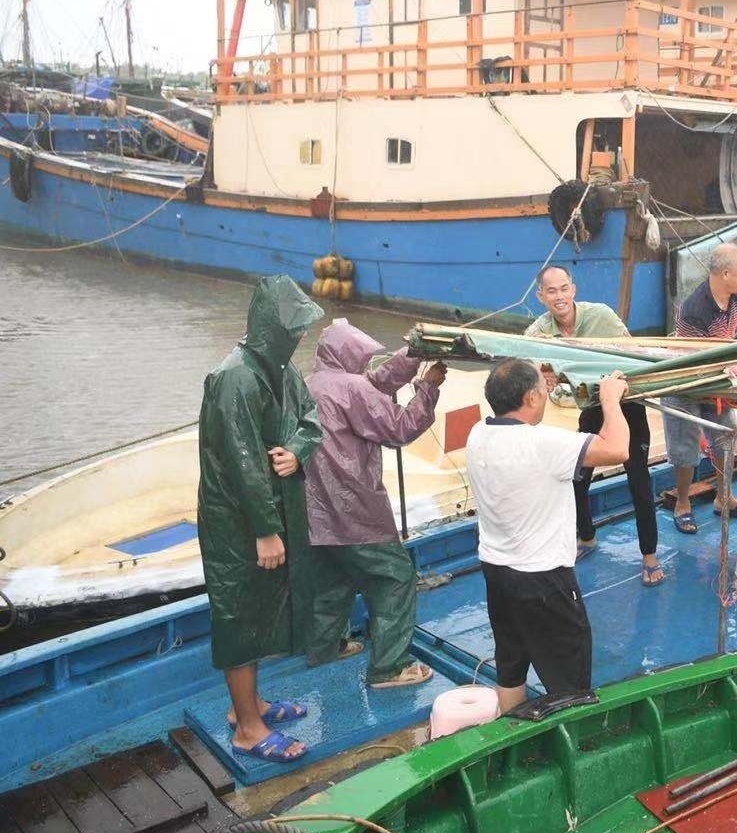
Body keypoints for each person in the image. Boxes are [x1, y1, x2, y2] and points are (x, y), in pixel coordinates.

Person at [197, 275, 324, 764]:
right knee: (239, 615)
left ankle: (252, 705)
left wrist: (296, 450)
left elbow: (311, 419)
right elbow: (243, 462)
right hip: (236, 522)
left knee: (260, 608)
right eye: (292, 330)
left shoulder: (282, 370)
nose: (298, 340)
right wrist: (266, 530)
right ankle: (248, 728)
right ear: (270, 327)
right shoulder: (235, 378)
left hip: (271, 510)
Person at [466, 358, 631, 710]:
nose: (547, 392)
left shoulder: (477, 434)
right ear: (530, 398)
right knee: (570, 677)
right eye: (542, 390)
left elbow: (528, 424)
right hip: (543, 579)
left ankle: (511, 736)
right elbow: (617, 448)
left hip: (497, 570)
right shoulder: (544, 444)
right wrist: (611, 401)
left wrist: (543, 387)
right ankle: (568, 745)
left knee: (511, 665)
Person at [301, 319, 446, 688]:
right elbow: (400, 427)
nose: (366, 364)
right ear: (349, 357)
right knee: (395, 577)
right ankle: (389, 668)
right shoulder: (351, 387)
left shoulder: (312, 383)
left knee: (334, 579)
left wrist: (413, 355)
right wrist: (427, 388)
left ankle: (326, 648)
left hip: (316, 512)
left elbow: (373, 382)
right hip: (355, 508)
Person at [525, 264, 663, 585]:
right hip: (591, 409)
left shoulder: (601, 315)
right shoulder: (538, 332)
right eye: (551, 291)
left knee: (639, 480)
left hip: (627, 407)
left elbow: (634, 354)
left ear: (573, 289)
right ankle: (587, 537)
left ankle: (650, 556)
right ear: (541, 296)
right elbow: (530, 366)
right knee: (577, 478)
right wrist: (543, 373)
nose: (559, 297)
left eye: (563, 289)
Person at [667, 243, 737, 534]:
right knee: (685, 449)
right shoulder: (695, 309)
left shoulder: (735, 295)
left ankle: (724, 499)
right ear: (725, 274)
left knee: (726, 437)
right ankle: (683, 504)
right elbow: (693, 357)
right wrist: (725, 366)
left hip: (718, 381)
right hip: (686, 382)